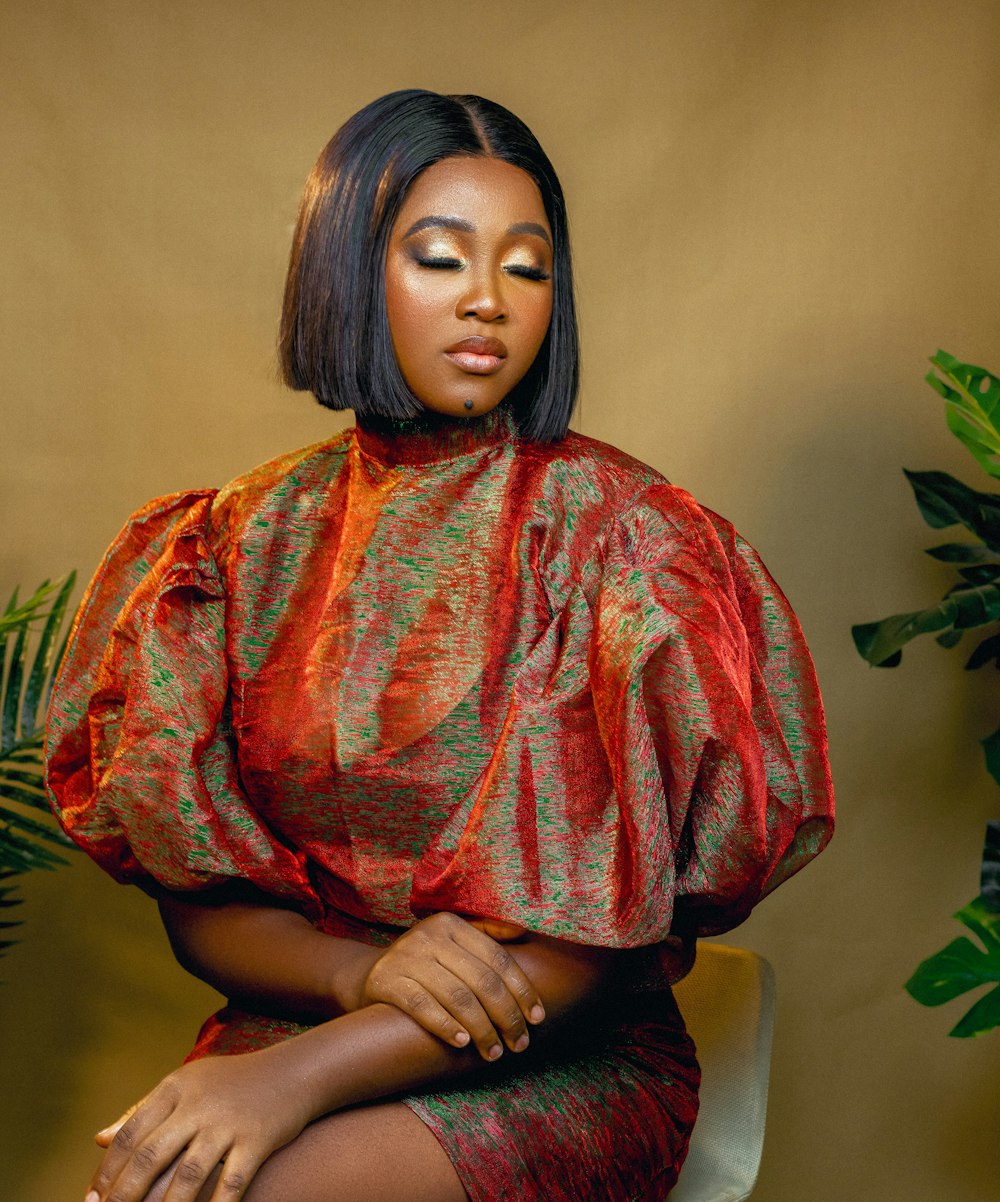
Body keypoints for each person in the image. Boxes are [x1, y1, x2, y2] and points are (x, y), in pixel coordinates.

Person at [45, 89, 835, 1202]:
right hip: (309, 1008)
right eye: (438, 257)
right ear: (348, 272)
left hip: (555, 1053)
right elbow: (199, 898)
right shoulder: (230, 542)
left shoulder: (624, 544)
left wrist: (292, 1081)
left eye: (526, 265)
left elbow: (583, 945)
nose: (486, 300)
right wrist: (362, 969)